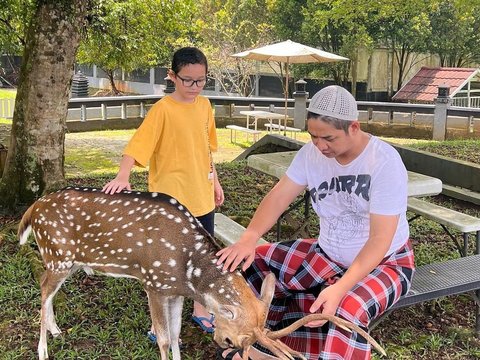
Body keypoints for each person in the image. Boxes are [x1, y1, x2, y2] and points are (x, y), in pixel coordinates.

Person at [216, 85, 414, 360]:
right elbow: (279, 195)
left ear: (353, 127)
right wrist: (249, 238)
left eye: (328, 138)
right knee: (252, 262)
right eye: (313, 136)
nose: (320, 145)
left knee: (347, 308)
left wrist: (341, 286)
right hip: (328, 253)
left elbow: (380, 240)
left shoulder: (383, 162)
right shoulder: (312, 153)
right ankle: (255, 343)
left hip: (386, 263)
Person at [103, 47, 224, 335]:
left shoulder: (205, 106)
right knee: (167, 264)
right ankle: (161, 326)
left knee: (203, 259)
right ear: (172, 76)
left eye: (201, 80)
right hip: (169, 204)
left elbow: (207, 151)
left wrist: (215, 182)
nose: (195, 87)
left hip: (202, 198)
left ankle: (200, 308)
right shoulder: (162, 110)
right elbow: (136, 146)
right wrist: (123, 175)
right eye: (188, 80)